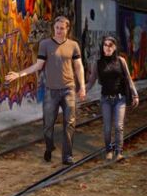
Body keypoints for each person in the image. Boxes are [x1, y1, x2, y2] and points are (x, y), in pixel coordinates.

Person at [5, 16, 86, 165]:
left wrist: (82, 86)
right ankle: (49, 147)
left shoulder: (73, 45)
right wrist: (19, 74)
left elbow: (78, 66)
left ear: (67, 29)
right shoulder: (45, 44)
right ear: (53, 28)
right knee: (48, 125)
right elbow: (38, 65)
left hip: (68, 89)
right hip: (51, 91)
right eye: (57, 28)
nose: (59, 31)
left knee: (70, 123)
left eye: (62, 28)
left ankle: (67, 156)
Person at [86, 36, 139, 161]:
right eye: (105, 45)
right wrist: (83, 90)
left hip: (120, 99)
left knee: (119, 126)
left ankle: (119, 151)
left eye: (110, 45)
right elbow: (91, 81)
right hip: (106, 99)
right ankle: (108, 150)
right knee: (107, 128)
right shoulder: (98, 63)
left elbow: (128, 78)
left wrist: (135, 94)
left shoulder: (121, 61)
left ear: (115, 47)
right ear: (102, 47)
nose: (108, 47)